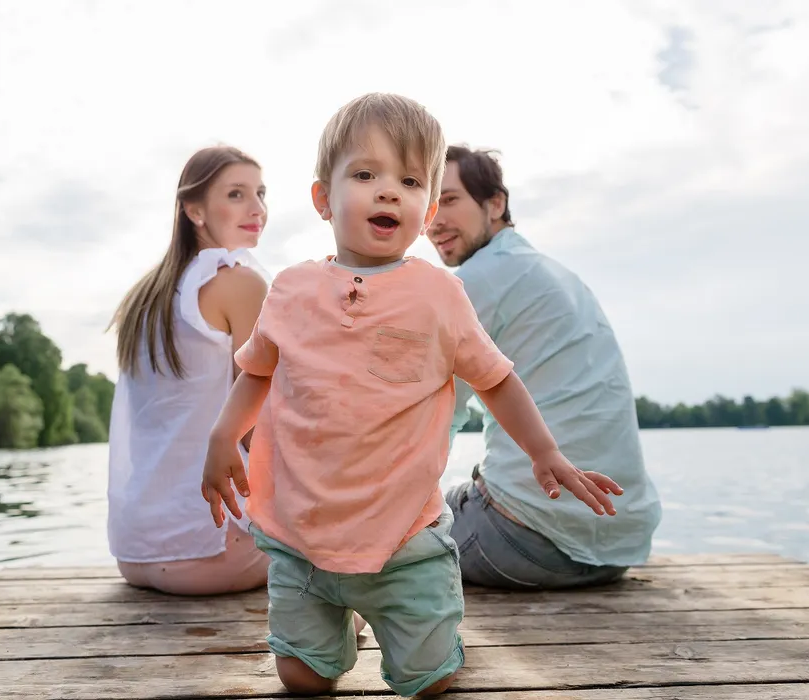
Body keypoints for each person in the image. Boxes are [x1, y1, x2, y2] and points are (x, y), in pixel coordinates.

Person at [200, 93, 623, 698]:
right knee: (301, 679)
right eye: (365, 175)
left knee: (428, 683)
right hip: (301, 538)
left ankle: (421, 631)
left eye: (409, 179)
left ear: (425, 212)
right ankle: (329, 632)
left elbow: (495, 377)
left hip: (404, 539)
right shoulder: (291, 290)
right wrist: (222, 435)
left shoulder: (438, 295)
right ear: (324, 199)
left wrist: (545, 452)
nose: (388, 191)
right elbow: (258, 372)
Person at [427, 145, 663, 591]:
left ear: (495, 204)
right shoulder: (556, 274)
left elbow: (434, 416)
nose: (434, 220)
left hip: (527, 541)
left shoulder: (472, 282)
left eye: (450, 200)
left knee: (381, 528)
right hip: (619, 546)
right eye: (430, 204)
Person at [105, 146, 271, 596]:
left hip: (135, 552)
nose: (257, 208)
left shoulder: (148, 294)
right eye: (236, 194)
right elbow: (261, 424)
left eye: (260, 193)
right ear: (193, 210)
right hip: (210, 553)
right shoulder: (239, 281)